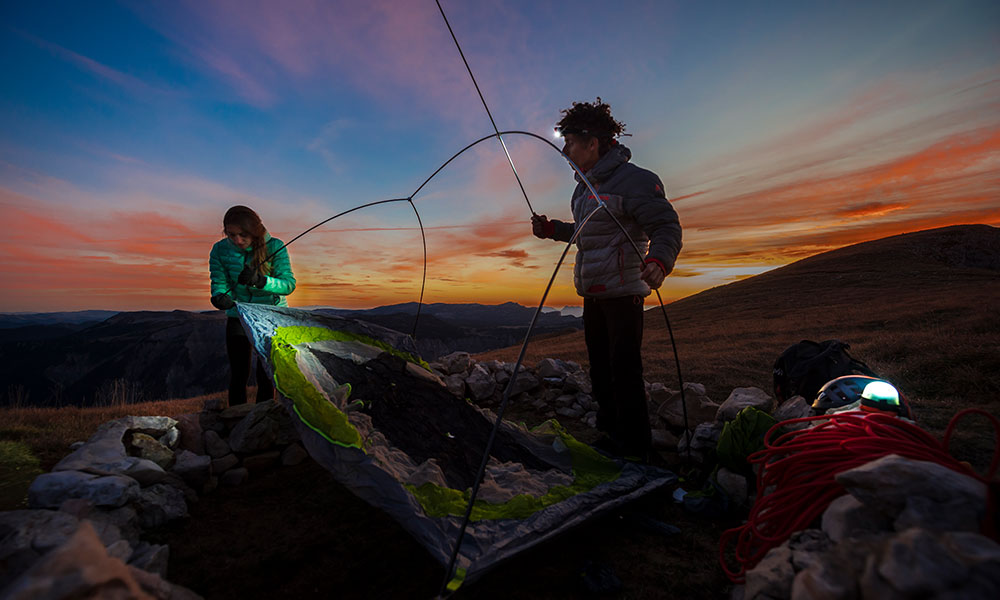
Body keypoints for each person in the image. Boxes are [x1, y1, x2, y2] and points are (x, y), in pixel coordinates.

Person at [531, 98, 682, 461]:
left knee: (624, 372)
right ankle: (612, 439)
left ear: (592, 143)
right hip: (593, 294)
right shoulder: (583, 188)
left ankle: (636, 451)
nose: (564, 150)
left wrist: (659, 261)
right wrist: (553, 230)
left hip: (624, 293)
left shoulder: (637, 181)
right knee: (601, 372)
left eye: (569, 142)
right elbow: (586, 233)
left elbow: (665, 226)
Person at [209, 205, 296, 406]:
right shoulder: (219, 250)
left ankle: (263, 419)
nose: (237, 240)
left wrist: (261, 281)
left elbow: (288, 285)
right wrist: (219, 297)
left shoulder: (275, 247)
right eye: (231, 235)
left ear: (254, 231)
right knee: (239, 371)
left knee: (266, 373)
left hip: (271, 316)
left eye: (243, 235)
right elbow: (219, 281)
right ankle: (236, 421)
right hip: (238, 314)